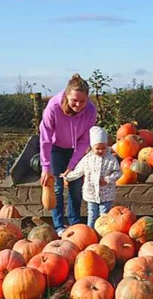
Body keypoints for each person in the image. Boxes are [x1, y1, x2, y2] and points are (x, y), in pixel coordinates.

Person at [39, 73, 97, 237]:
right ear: (66, 95)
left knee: (76, 187)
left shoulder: (91, 111)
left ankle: (75, 223)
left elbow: (85, 140)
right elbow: (45, 138)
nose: (78, 105)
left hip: (76, 149)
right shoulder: (53, 107)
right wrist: (45, 167)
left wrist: (72, 166)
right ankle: (58, 226)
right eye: (74, 100)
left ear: (87, 99)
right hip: (56, 148)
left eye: (82, 101)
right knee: (56, 187)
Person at [62, 126, 122, 228]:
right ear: (92, 146)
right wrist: (67, 177)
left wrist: (108, 179)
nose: (100, 151)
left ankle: (103, 234)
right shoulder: (87, 159)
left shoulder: (111, 159)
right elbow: (79, 170)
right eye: (97, 148)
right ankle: (90, 231)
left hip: (106, 194)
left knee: (104, 215)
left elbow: (118, 172)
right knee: (92, 214)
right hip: (91, 193)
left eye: (103, 148)